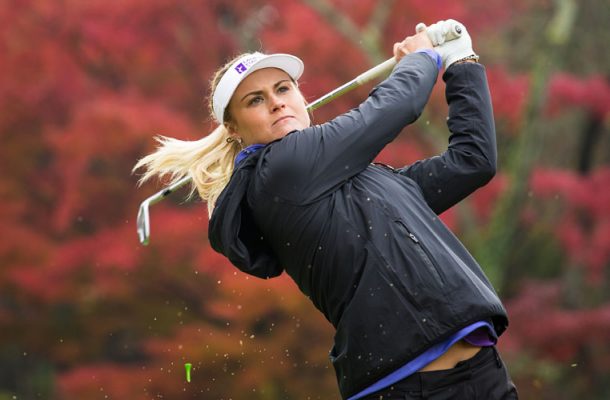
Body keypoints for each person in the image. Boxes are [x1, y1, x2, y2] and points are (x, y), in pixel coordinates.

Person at [135, 19, 518, 400]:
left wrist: (462, 63)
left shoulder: (372, 182)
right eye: (255, 100)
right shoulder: (280, 170)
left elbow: (472, 161)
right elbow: (394, 107)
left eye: (283, 88)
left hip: (483, 373)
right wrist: (420, 59)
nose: (276, 102)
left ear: (301, 97)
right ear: (234, 129)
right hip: (407, 387)